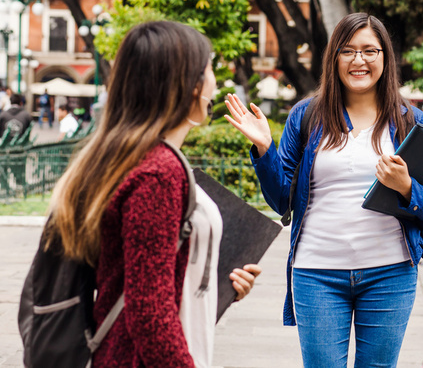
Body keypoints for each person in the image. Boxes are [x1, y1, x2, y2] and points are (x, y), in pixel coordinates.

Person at [225, 13, 423, 367]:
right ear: (334, 58)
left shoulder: (411, 121)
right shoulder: (307, 115)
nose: (359, 60)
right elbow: (281, 199)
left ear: (385, 57)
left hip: (390, 272)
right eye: (348, 51)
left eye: (369, 51)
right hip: (317, 272)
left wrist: (406, 187)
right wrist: (266, 149)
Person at [43, 21, 262, 367]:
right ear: (188, 85)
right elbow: (149, 311)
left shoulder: (141, 159)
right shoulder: (158, 173)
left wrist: (218, 285)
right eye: (209, 70)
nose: (215, 83)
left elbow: (147, 273)